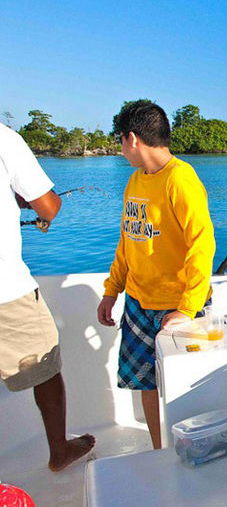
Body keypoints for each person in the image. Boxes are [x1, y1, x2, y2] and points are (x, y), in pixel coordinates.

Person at [96, 102, 215, 449]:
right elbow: (127, 240)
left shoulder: (181, 179)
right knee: (146, 384)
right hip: (137, 303)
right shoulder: (135, 180)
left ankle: (192, 450)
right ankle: (158, 449)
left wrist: (188, 308)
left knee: (184, 386)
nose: (121, 149)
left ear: (132, 138)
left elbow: (201, 245)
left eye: (120, 140)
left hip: (177, 308)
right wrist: (112, 290)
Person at [0, 123, 96, 471]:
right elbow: (49, 207)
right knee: (45, 363)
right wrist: (24, 201)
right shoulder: (4, 138)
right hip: (5, 291)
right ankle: (60, 451)